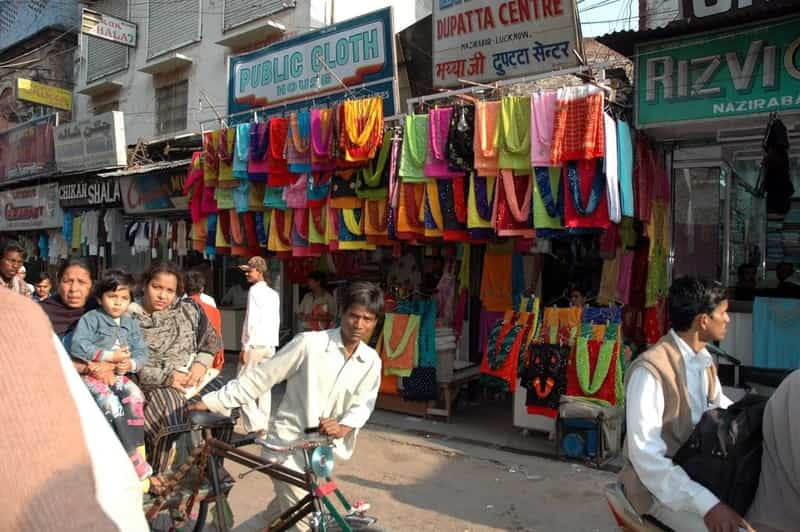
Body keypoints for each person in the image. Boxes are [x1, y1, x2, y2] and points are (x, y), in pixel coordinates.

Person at [190, 282, 384, 530]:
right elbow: (261, 378)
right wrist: (212, 401)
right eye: (354, 316)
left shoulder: (370, 361)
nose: (359, 325)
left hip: (318, 456)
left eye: (367, 319)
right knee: (303, 526)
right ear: (342, 313)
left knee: (277, 517)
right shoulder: (310, 344)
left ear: (375, 322)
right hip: (286, 448)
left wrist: (344, 426)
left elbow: (363, 404)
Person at [619, 276, 754, 532]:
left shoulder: (703, 362)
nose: (728, 319)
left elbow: (719, 409)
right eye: (723, 313)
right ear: (703, 321)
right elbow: (647, 459)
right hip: (656, 491)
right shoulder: (650, 372)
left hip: (694, 472)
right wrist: (707, 504)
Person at [0, 289, 122, 532]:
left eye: (82, 282)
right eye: (68, 281)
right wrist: (91, 367)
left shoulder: (122, 321)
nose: (74, 289)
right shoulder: (27, 315)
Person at [127, 262, 223, 480]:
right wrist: (167, 377)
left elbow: (210, 341)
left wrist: (200, 365)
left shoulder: (188, 311)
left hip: (193, 378)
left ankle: (211, 465)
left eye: (169, 290)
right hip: (151, 384)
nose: (162, 295)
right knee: (171, 409)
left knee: (224, 400)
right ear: (145, 285)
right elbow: (127, 365)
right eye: (156, 287)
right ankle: (161, 473)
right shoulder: (128, 317)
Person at [70, 270, 153, 490]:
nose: (118, 303)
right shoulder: (91, 319)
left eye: (124, 298)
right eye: (112, 296)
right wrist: (109, 356)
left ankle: (138, 452)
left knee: (136, 397)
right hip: (91, 374)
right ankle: (128, 456)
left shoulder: (130, 324)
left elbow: (142, 352)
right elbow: (78, 346)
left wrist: (131, 364)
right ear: (100, 298)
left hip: (118, 375)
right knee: (110, 404)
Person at [237, 256, 281, 435]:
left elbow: (251, 321)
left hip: (255, 344)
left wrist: (244, 346)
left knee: (241, 384)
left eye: (250, 271)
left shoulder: (255, 291)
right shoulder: (273, 294)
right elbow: (276, 321)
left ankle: (255, 423)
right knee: (264, 386)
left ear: (260, 271)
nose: (247, 274)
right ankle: (263, 422)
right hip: (269, 344)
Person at [185, 268, 225, 370]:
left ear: (184, 288)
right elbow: (217, 336)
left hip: (182, 361)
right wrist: (218, 360)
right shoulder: (212, 310)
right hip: (206, 360)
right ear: (202, 288)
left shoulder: (176, 307)